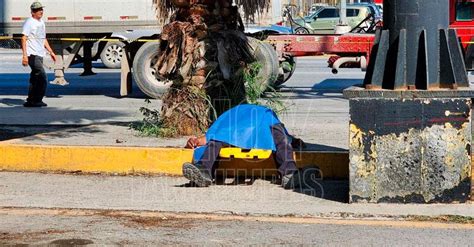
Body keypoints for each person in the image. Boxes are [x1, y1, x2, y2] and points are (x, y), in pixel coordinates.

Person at [182, 104, 306, 189]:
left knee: (216, 140)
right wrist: (295, 141)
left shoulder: (230, 116)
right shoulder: (268, 115)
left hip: (231, 130)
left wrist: (195, 141)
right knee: (281, 140)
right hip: (263, 121)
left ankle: (204, 170)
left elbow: (210, 137)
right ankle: (289, 173)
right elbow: (284, 139)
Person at [21, 1, 56, 107]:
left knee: (35, 78)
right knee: (42, 77)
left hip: (40, 54)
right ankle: (37, 100)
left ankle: (31, 100)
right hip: (32, 54)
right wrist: (25, 55)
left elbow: (43, 38)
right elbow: (23, 38)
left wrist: (51, 51)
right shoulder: (29, 22)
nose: (40, 11)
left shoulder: (41, 22)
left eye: (41, 9)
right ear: (32, 12)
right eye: (38, 10)